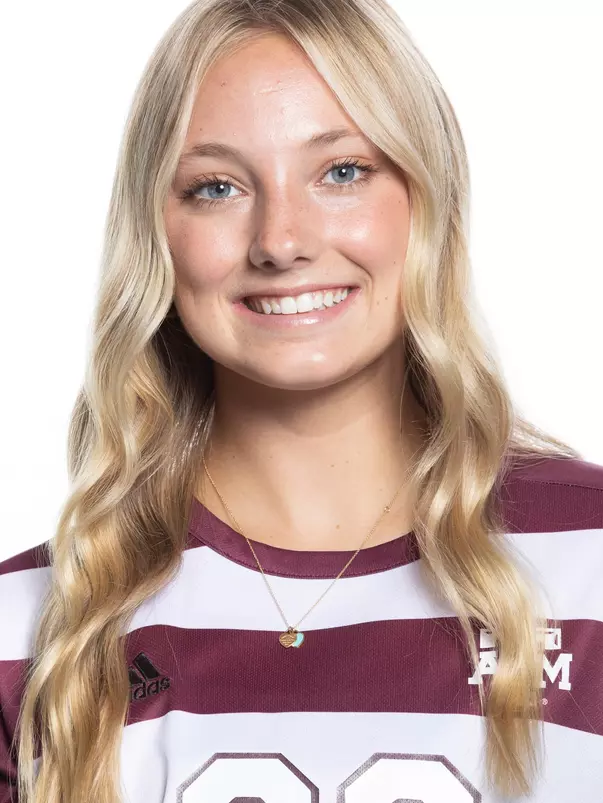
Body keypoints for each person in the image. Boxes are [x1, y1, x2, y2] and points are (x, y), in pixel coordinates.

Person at [1, 0, 602, 801]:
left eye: (342, 172)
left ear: (428, 197)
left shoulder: (589, 556)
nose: (280, 241)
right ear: (155, 232)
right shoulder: (33, 627)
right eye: (215, 187)